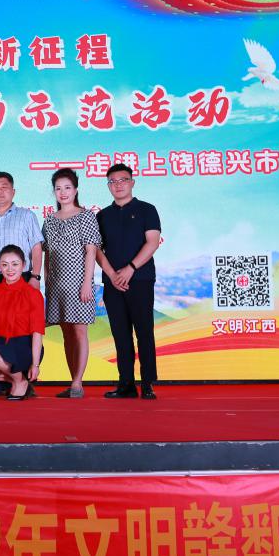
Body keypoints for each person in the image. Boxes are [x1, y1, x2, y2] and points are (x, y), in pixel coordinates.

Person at [96, 164, 162, 400]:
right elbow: (96, 250)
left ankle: (147, 383)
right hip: (112, 283)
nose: (118, 185)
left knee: (144, 331)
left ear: (132, 182)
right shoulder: (102, 216)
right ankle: (126, 383)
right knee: (120, 334)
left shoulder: (147, 210)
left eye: (123, 180)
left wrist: (130, 269)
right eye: (112, 181)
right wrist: (113, 275)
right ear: (108, 186)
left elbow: (152, 242)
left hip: (140, 279)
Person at [42, 167, 102, 399]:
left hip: (79, 282)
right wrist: (47, 282)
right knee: (66, 332)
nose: (63, 192)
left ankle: (78, 382)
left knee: (79, 331)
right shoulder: (49, 220)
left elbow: (91, 251)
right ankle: (72, 380)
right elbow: (47, 254)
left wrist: (87, 283)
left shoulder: (86, 216)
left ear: (76, 190)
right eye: (58, 188)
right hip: (56, 284)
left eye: (67, 187)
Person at [0, 244, 44, 401]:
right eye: (5, 265)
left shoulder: (33, 294)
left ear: (23, 266)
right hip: (1, 347)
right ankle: (20, 381)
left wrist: (35, 364)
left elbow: (37, 333)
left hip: (25, 347)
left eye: (15, 264)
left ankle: (20, 382)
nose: (10, 269)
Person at [0, 171, 43, 297]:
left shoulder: (27, 216)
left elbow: (36, 247)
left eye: (4, 187)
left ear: (13, 192)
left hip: (22, 279)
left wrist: (35, 277)